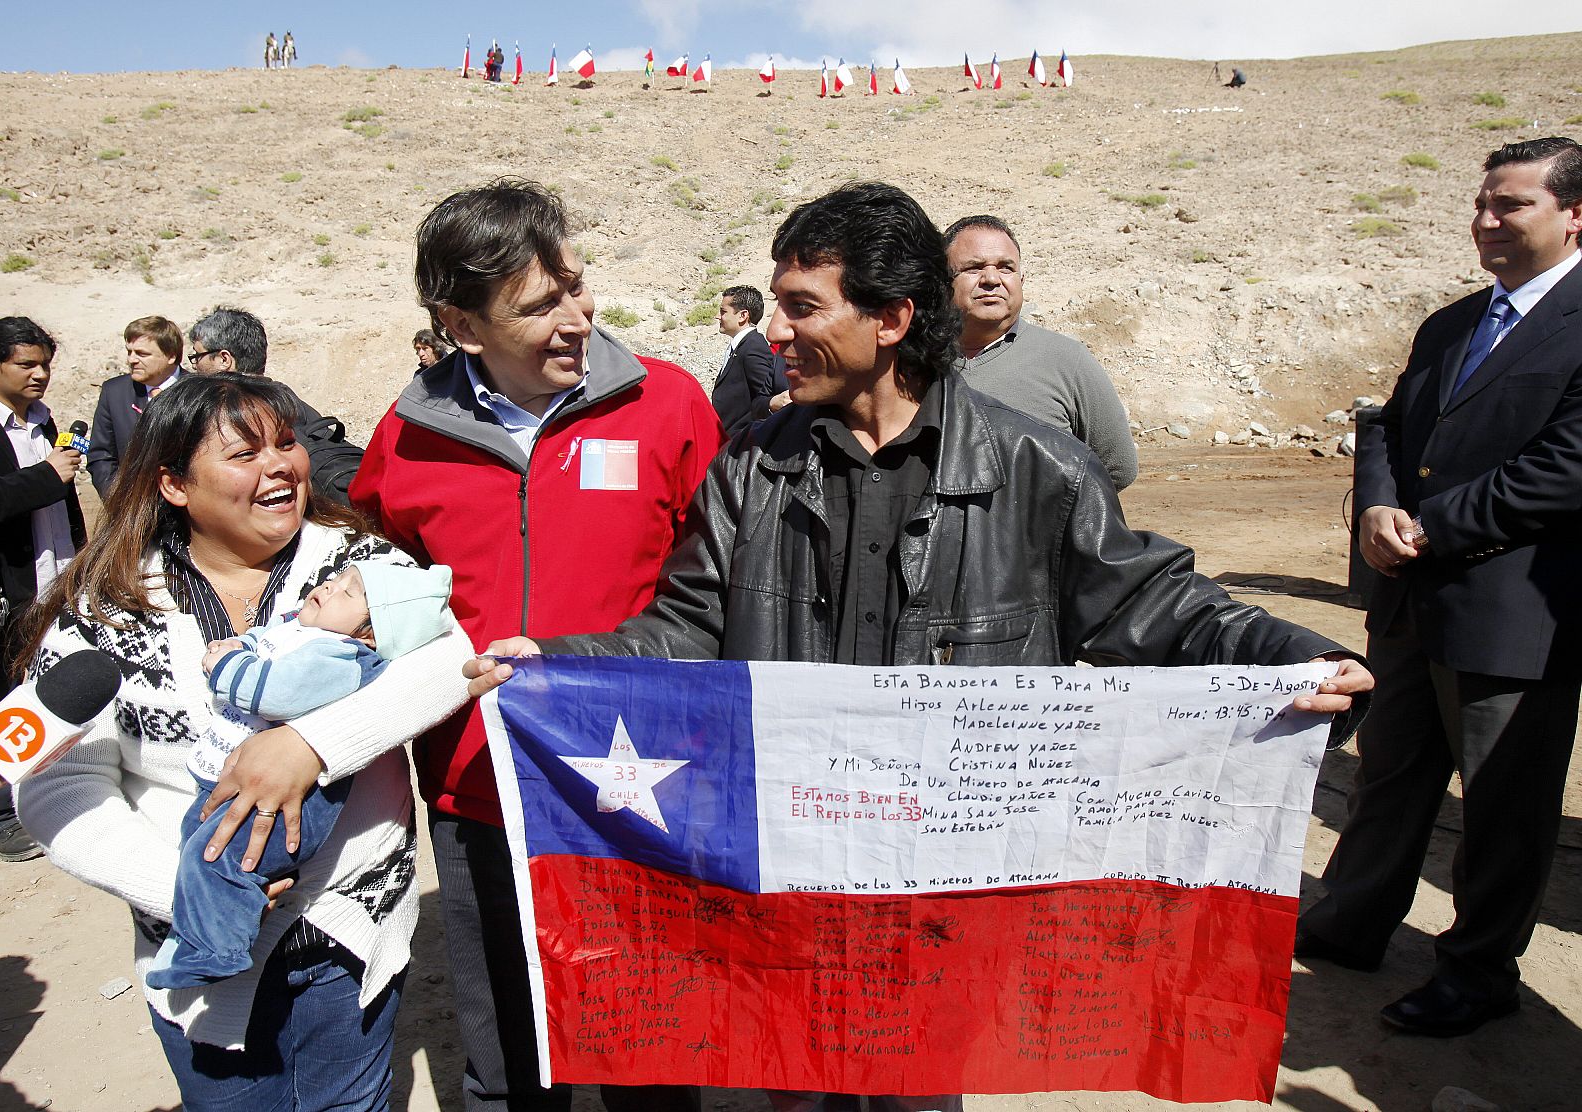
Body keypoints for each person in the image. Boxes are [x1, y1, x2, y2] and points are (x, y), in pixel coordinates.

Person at [467, 181, 1375, 1112]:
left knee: (918, 1085)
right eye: (776, 304)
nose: (775, 332)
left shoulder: (1038, 469)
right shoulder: (751, 465)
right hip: (792, 850)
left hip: (941, 866)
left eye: (802, 306)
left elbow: (1152, 601)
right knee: (793, 1070)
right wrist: (569, 666)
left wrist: (1288, 653)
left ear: (893, 318)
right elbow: (688, 627)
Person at [352, 178, 720, 1112]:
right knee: (508, 1060)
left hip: (646, 782)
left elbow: (716, 587)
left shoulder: (669, 406)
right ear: (461, 324)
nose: (577, 317)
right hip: (479, 785)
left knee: (651, 1046)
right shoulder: (407, 435)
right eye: (539, 304)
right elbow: (381, 593)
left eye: (577, 286)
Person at [15, 372, 472, 1109]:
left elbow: (453, 658)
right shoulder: (105, 607)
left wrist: (313, 746)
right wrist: (188, 894)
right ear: (172, 484)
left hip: (349, 935)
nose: (280, 468)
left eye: (287, 444)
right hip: (196, 966)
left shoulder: (353, 566)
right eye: (244, 453)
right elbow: (57, 783)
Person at [1297, 137, 1582, 1038]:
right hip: (1413, 600)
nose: (1487, 221)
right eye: (1482, 204)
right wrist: (1377, 506)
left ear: (1574, 214)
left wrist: (1432, 527)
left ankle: (1478, 969)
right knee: (1389, 772)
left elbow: (1568, 467)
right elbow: (1388, 427)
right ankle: (1349, 921)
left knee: (1503, 802)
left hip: (1516, 614)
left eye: (1513, 206)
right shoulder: (1452, 323)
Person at [148, 560, 456, 990]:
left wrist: (226, 664)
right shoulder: (304, 629)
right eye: (334, 579)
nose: (328, 587)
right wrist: (241, 642)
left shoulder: (339, 656)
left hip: (290, 801)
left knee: (216, 858)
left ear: (370, 634)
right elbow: (268, 637)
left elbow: (277, 692)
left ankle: (218, 952)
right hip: (233, 785)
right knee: (196, 842)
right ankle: (200, 937)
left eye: (348, 593)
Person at [0, 316, 85, 862]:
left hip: (52, 578)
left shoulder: (43, 421)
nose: (41, 374)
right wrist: (47, 476)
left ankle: (42, 793)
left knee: (38, 689)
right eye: (27, 364)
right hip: (0, 589)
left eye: (45, 363)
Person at [944, 215, 1138, 490]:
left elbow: (1118, 467)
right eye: (974, 268)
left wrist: (1050, 516)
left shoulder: (1068, 360)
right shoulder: (912, 361)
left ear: (1021, 279)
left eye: (1005, 268)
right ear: (942, 281)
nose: (991, 279)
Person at [187, 306, 364, 505]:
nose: (194, 366)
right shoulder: (284, 396)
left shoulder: (227, 414)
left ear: (224, 359)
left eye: (197, 356)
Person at [89, 315, 186, 499]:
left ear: (171, 356)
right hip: (131, 510)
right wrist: (116, 500)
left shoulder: (198, 391)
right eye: (129, 352)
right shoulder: (114, 392)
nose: (132, 360)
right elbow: (101, 455)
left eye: (142, 354)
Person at [710, 284, 789, 439]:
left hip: (740, 441)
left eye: (723, 312)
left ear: (743, 315)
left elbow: (767, 394)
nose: (718, 317)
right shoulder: (741, 346)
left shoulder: (753, 348)